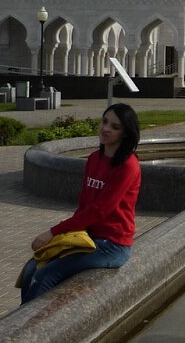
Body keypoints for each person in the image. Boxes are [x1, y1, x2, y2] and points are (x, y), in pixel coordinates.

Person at [20, 103, 142, 303]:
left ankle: (31, 329)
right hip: (88, 237)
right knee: (32, 268)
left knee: (44, 276)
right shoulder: (95, 159)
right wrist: (66, 235)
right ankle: (20, 322)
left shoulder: (128, 166)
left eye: (115, 127)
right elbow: (85, 205)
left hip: (112, 245)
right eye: (104, 122)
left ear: (126, 134)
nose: (106, 129)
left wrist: (54, 231)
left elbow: (99, 211)